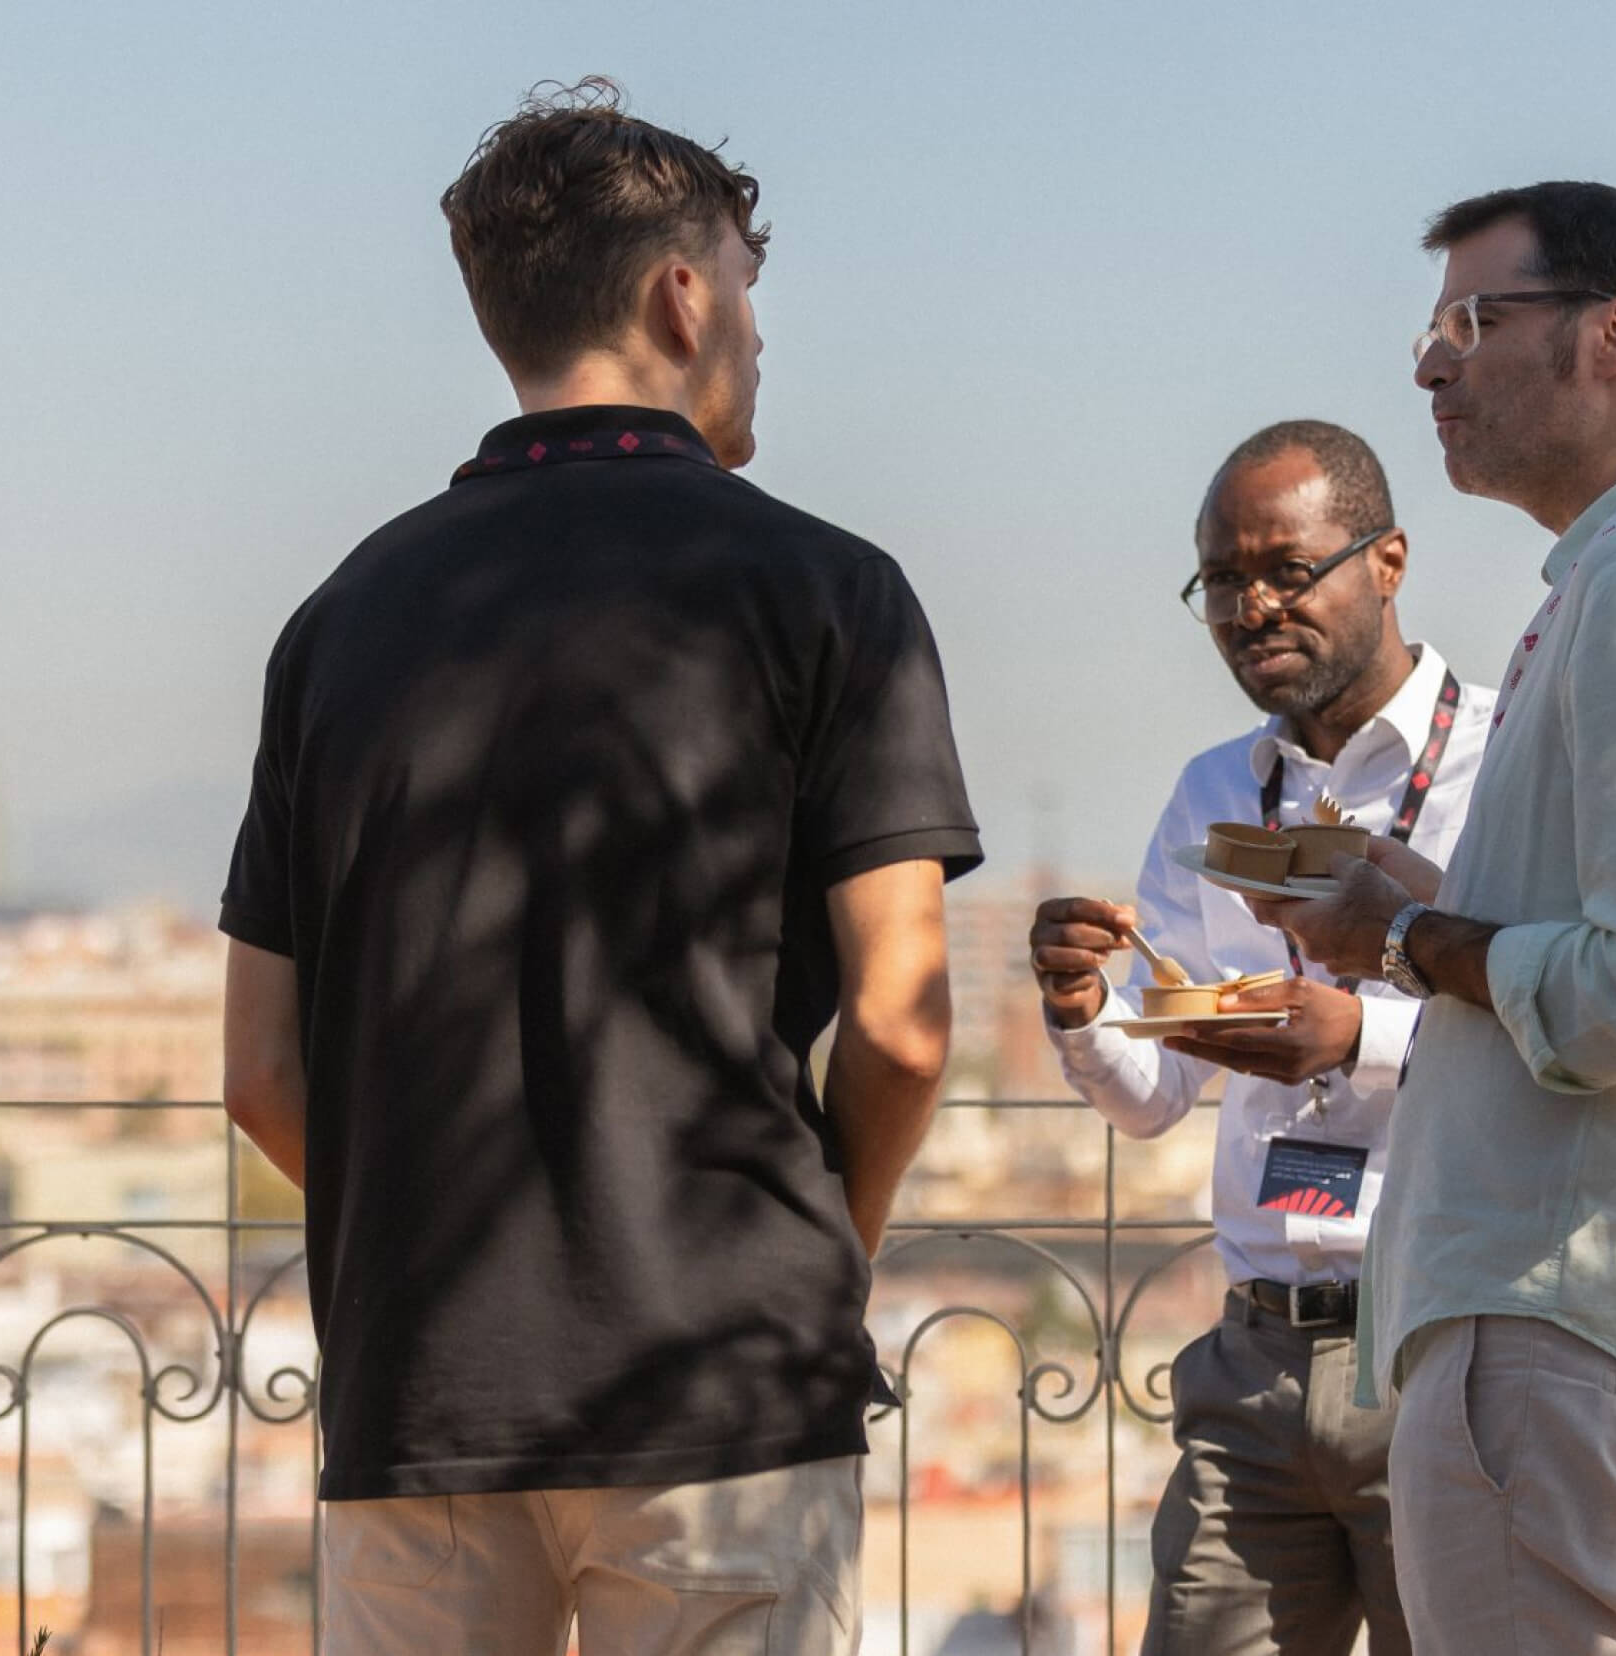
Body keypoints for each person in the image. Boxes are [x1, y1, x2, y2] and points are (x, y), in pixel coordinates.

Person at [217, 78, 982, 1656]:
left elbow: (260, 1070)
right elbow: (903, 1020)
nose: (759, 337)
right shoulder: (832, 591)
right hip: (724, 1380)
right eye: (751, 295)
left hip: (419, 1387)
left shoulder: (336, 622)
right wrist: (823, 1240)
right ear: (681, 296)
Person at [1249, 182, 1616, 1653]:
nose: (1429, 366)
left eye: (1475, 320)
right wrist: (1441, 912)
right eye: (1432, 327)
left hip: (1566, 1322)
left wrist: (1405, 947)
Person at [1028, 420, 1492, 1656]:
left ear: (1385, 562)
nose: (1249, 607)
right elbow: (1151, 1096)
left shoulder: (1504, 760)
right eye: (1221, 580)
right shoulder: (1210, 790)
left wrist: (1356, 1041)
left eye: (1283, 569)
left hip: (1440, 1354)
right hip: (1252, 1362)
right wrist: (1081, 1013)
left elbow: (1554, 1018)